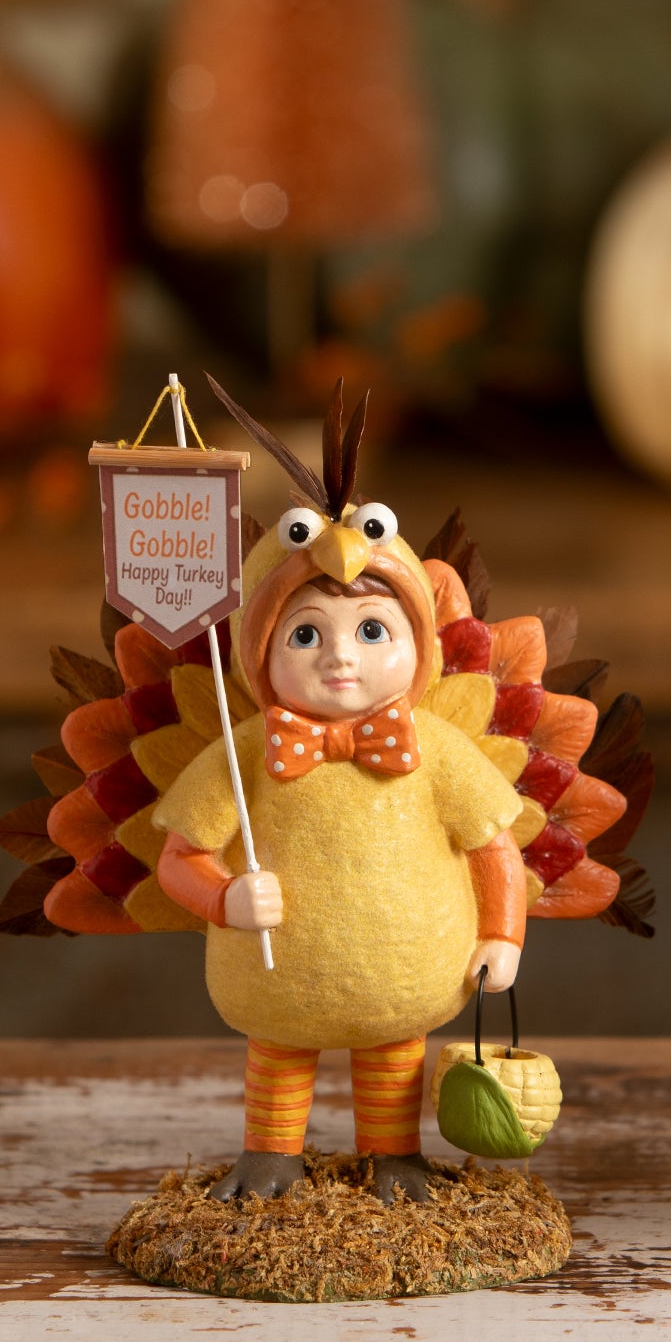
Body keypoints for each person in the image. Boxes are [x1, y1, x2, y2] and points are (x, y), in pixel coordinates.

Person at [155, 506, 525, 1206]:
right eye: (305, 634)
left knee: (392, 1051)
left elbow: (494, 847)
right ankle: (269, 1155)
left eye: (373, 631)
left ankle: (395, 1155)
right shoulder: (244, 755)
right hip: (273, 975)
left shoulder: (439, 752)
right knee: (280, 1049)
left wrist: (503, 935)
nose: (341, 657)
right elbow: (178, 857)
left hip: (406, 976)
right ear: (259, 652)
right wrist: (222, 896)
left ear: (421, 646)